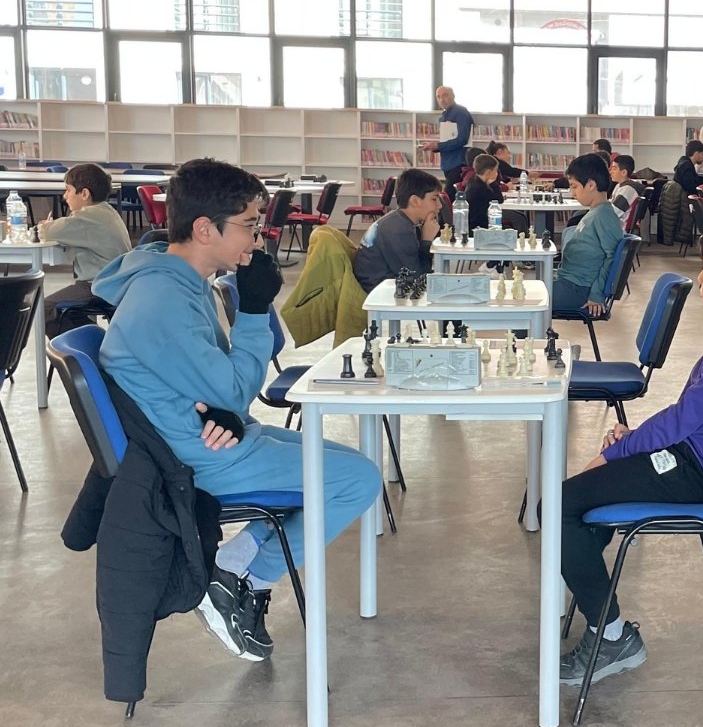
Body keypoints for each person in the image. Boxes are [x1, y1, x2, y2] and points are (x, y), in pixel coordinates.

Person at [94, 158, 381, 662]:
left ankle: (236, 564)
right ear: (205, 228)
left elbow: (217, 385)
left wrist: (220, 404)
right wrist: (252, 311)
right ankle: (240, 575)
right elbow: (232, 389)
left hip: (210, 432)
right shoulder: (163, 298)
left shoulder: (182, 281)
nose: (259, 237)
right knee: (357, 480)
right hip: (194, 456)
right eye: (249, 225)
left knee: (346, 464)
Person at [559, 220, 703, 685]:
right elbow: (692, 418)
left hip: (702, 473)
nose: (700, 279)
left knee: (561, 505)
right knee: (580, 504)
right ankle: (591, 594)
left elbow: (684, 419)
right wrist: (632, 441)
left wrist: (619, 451)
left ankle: (611, 636)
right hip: (697, 457)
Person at [38, 162, 131, 338]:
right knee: (68, 310)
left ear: (84, 194)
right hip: (116, 282)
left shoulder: (88, 216)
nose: (65, 196)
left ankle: (85, 346)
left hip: (98, 285)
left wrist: (44, 225)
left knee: (42, 308)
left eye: (68, 190)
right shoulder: (106, 211)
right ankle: (92, 338)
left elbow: (48, 231)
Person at [552, 153, 624, 315]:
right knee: (527, 290)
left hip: (578, 289)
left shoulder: (603, 215)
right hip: (570, 282)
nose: (572, 193)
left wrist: (597, 294)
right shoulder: (595, 212)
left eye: (574, 186)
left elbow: (613, 258)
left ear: (591, 184)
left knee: (526, 299)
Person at [353, 166, 442, 292]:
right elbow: (417, 280)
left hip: (382, 283)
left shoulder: (399, 220)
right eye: (434, 199)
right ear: (415, 201)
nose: (439, 205)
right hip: (379, 291)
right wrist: (426, 241)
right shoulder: (399, 231)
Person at [421, 85, 473, 190]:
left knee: (449, 195)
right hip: (448, 163)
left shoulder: (461, 112)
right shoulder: (443, 116)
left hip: (458, 163)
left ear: (453, 96)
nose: (442, 100)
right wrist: (434, 146)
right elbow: (447, 139)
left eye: (445, 95)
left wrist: (438, 145)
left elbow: (463, 139)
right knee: (450, 195)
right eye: (438, 97)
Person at [609, 153, 644, 231]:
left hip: (617, 230)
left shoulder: (628, 190)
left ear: (624, 172)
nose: (611, 172)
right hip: (613, 227)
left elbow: (613, 213)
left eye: (614, 169)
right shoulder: (619, 185)